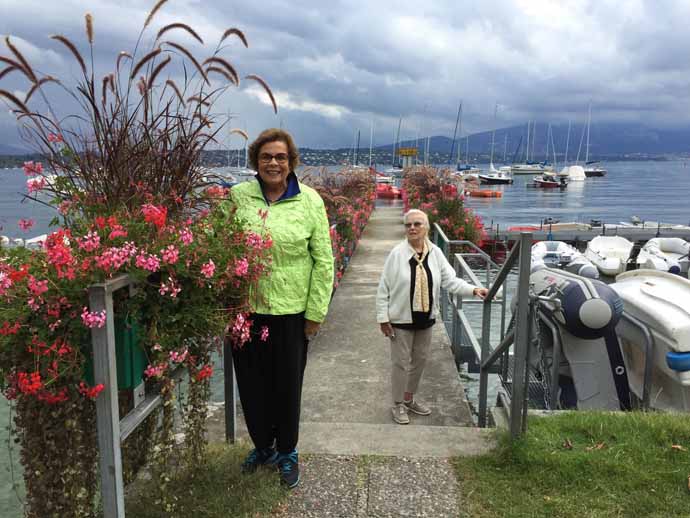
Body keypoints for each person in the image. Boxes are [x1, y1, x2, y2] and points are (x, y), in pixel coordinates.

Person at [228, 128, 334, 488]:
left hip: (291, 313)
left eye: (281, 157)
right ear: (255, 161)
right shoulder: (237, 197)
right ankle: (263, 446)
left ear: (291, 162)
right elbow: (219, 246)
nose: (273, 163)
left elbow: (324, 261)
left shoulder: (310, 201)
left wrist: (315, 314)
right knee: (252, 385)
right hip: (246, 311)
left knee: (287, 385)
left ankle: (287, 450)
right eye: (266, 157)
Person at [376, 209, 488, 424]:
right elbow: (384, 288)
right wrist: (383, 317)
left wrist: (474, 290)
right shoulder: (397, 254)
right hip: (400, 320)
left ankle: (409, 399)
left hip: (425, 320)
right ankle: (398, 404)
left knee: (420, 361)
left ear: (426, 227)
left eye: (417, 224)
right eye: (408, 225)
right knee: (400, 363)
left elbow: (450, 281)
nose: (412, 228)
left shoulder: (435, 253)